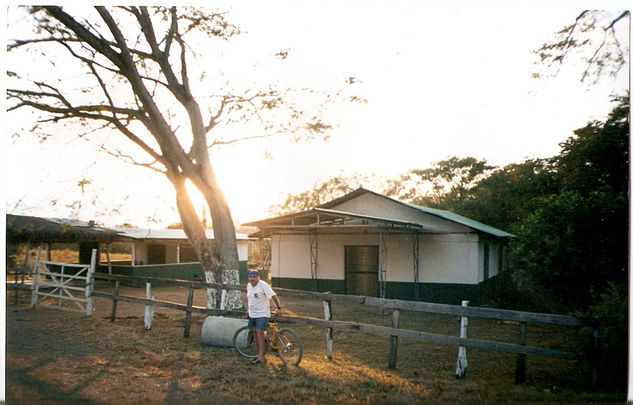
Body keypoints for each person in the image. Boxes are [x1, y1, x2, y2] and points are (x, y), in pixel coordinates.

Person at [246, 269, 283, 364]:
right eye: (251, 277)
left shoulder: (263, 285)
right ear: (248, 278)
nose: (252, 279)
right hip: (252, 314)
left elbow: (274, 295)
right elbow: (250, 299)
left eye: (254, 277)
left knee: (260, 334)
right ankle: (259, 354)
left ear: (258, 277)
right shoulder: (249, 286)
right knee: (254, 333)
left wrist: (278, 307)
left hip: (262, 314)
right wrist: (248, 309)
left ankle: (261, 357)